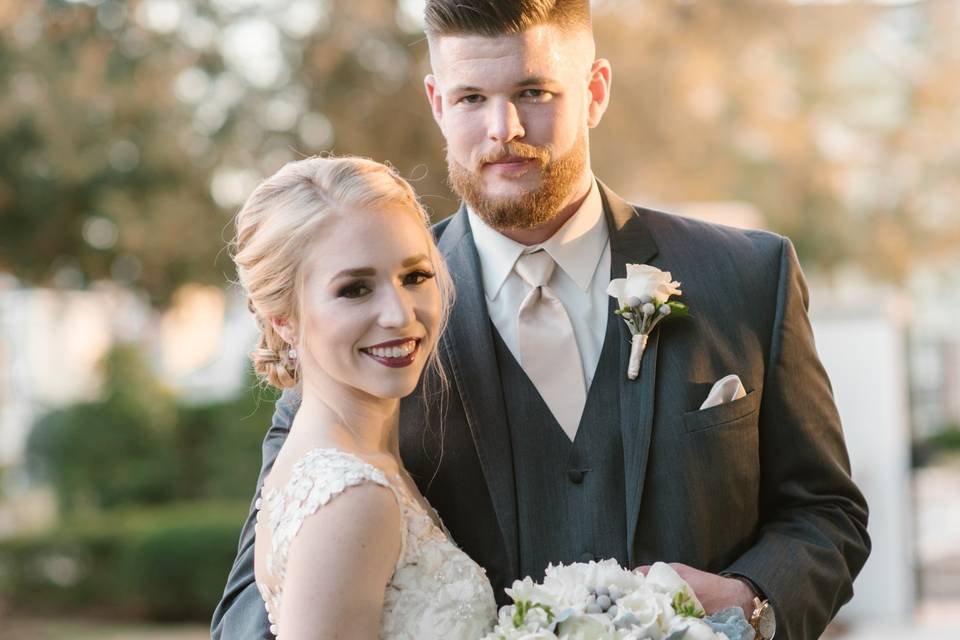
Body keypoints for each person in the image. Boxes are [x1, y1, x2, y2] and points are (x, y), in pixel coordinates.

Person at [213, 2, 870, 639]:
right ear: (439, 104)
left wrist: (749, 602)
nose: (504, 130)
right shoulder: (359, 329)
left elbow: (825, 512)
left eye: (533, 91)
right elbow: (260, 595)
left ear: (595, 91)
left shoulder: (749, 276)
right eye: (471, 98)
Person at [227, 155, 496, 639]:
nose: (398, 313)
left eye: (415, 276)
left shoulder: (346, 461)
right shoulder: (352, 497)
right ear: (282, 319)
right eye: (354, 289)